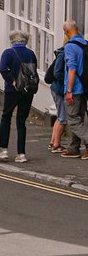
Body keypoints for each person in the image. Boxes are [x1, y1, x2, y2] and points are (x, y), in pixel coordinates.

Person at [0, 30, 39, 163]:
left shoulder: (8, 53)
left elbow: (2, 69)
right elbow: (34, 70)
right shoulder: (31, 53)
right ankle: (21, 154)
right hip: (27, 91)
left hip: (12, 90)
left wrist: (13, 81)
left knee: (6, 117)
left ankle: (4, 150)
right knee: (21, 122)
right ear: (25, 41)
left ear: (12, 40)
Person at [60, 19, 88, 158]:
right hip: (84, 88)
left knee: (73, 119)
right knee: (80, 117)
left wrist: (69, 90)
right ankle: (74, 148)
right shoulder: (84, 44)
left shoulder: (70, 47)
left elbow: (71, 70)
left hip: (75, 88)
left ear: (66, 31)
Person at [47, 41, 67, 153]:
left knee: (60, 116)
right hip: (59, 89)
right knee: (63, 119)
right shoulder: (63, 54)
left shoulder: (61, 52)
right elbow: (58, 73)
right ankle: (56, 145)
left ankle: (53, 142)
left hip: (56, 88)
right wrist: (67, 84)